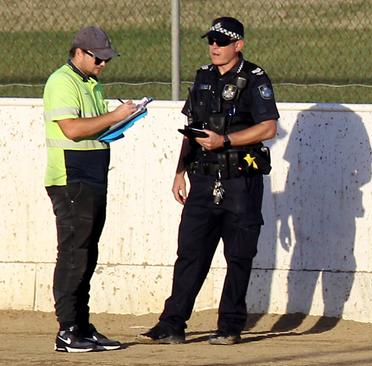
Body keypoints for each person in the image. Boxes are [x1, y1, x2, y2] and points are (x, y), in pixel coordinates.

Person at [136, 16, 279, 346]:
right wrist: (179, 171)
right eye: (211, 41)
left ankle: (229, 325)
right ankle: (172, 323)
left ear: (238, 45)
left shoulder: (254, 79)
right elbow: (192, 129)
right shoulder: (202, 77)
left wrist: (226, 141)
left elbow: (269, 128)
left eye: (222, 41)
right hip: (202, 179)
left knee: (238, 256)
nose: (214, 47)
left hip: (240, 181)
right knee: (190, 253)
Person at [43, 26, 137, 352]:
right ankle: (67, 329)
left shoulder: (90, 83)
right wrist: (113, 116)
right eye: (98, 59)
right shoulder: (62, 82)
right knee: (73, 254)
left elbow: (94, 128)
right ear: (80, 52)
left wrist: (120, 120)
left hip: (91, 176)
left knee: (86, 254)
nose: (103, 65)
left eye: (106, 59)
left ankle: (81, 325)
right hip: (71, 178)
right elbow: (71, 129)